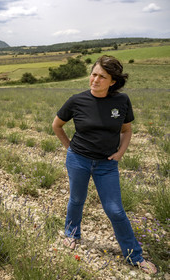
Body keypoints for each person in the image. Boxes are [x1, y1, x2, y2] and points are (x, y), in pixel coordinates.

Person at [52, 55, 157, 274]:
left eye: (102, 76)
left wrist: (120, 153)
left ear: (112, 81)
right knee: (77, 199)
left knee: (115, 210)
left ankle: (134, 256)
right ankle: (71, 234)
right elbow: (57, 125)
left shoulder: (121, 101)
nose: (95, 79)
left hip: (106, 164)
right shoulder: (76, 100)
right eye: (94, 74)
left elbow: (126, 130)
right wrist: (69, 148)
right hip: (78, 160)